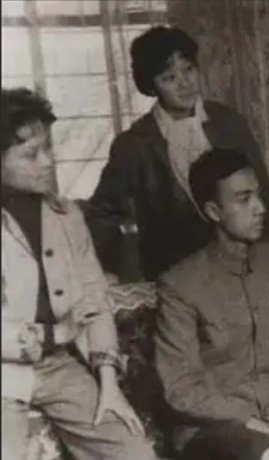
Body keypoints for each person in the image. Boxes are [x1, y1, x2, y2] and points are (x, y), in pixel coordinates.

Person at [1, 88, 154, 459]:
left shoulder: (66, 216)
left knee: (135, 453)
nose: (47, 162)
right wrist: (55, 333)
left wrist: (108, 382)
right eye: (30, 155)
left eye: (48, 148)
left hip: (59, 367)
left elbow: (94, 299)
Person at [153, 147, 269, 460]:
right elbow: (182, 388)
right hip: (216, 433)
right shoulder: (180, 285)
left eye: (258, 195)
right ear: (213, 211)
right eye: (243, 199)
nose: (260, 208)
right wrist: (249, 421)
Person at [86, 25, 269, 281]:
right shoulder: (134, 144)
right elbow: (100, 215)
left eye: (188, 70)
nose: (184, 84)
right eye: (169, 78)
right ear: (150, 86)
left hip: (244, 268)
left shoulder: (229, 123)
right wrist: (118, 271)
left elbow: (262, 195)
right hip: (175, 276)